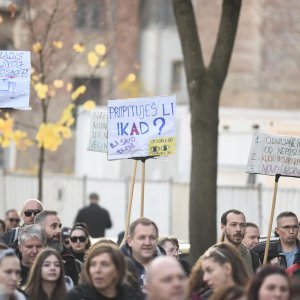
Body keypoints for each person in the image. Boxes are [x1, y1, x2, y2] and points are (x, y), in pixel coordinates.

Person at [65, 242, 143, 300]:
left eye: (104, 264)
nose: (97, 270)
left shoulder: (131, 296)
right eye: (93, 264)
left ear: (117, 270)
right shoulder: (76, 297)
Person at [35, 210, 82, 286]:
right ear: (39, 229)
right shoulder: (28, 255)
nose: (59, 230)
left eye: (60, 226)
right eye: (53, 226)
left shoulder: (69, 259)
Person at [121, 217, 164, 292]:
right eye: (142, 238)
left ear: (157, 240)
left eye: (152, 237)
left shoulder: (168, 269)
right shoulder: (119, 270)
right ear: (130, 241)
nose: (147, 243)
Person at [221, 209, 260, 274]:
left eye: (242, 225)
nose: (238, 229)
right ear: (223, 227)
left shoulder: (253, 258)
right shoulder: (212, 255)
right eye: (233, 225)